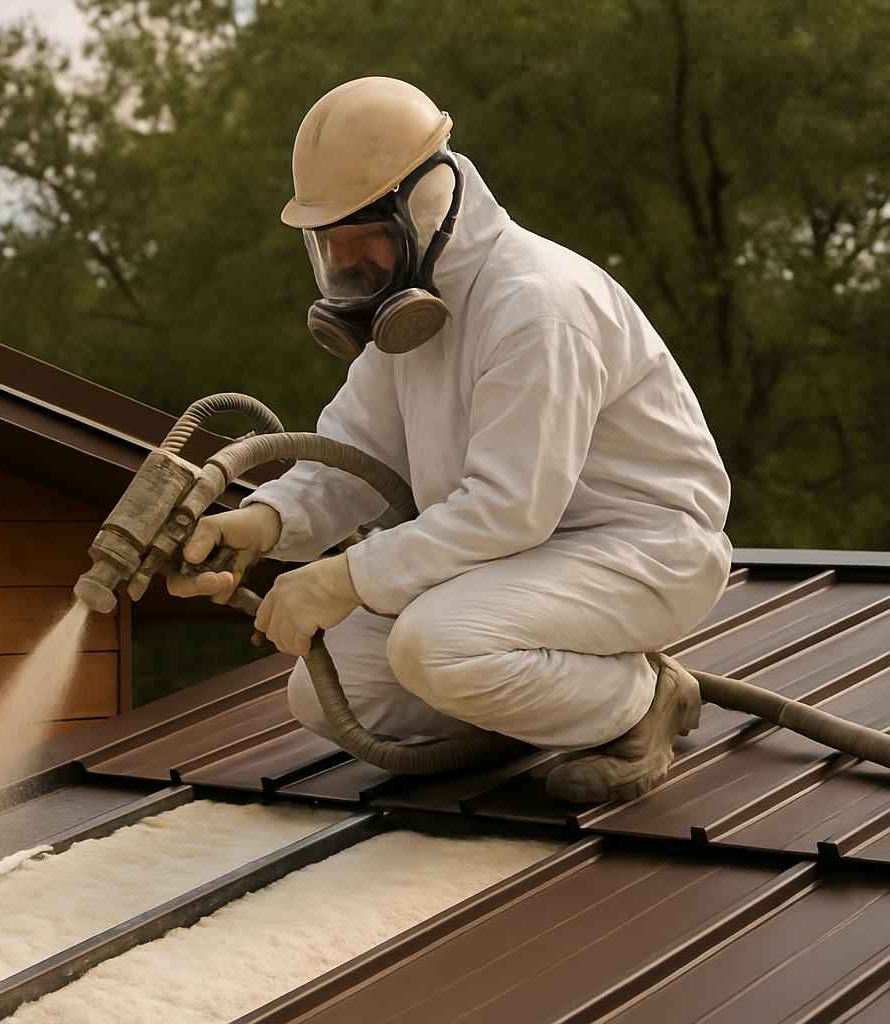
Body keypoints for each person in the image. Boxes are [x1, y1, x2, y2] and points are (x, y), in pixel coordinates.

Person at [166, 77, 733, 803]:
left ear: (424, 203)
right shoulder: (411, 307)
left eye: (361, 236)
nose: (347, 265)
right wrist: (261, 524)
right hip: (507, 564)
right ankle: (535, 706)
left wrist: (343, 578)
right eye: (329, 244)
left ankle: (644, 698)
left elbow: (509, 508)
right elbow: (354, 457)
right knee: (325, 692)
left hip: (638, 551)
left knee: (435, 646)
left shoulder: (536, 305)